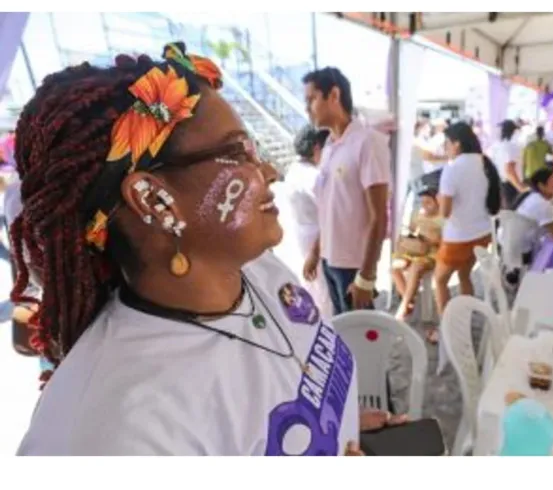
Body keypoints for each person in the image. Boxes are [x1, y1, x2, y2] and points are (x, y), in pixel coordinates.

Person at [12, 43, 397, 456]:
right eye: (236, 153)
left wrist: (339, 423)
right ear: (152, 199)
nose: (269, 171)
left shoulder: (260, 272)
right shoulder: (118, 431)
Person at [301, 67, 390, 315]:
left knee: (363, 341)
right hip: (331, 261)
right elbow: (330, 207)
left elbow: (379, 216)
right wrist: (316, 252)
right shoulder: (329, 145)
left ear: (334, 95)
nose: (308, 108)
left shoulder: (367, 142)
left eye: (312, 99)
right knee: (345, 337)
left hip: (354, 265)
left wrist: (366, 277)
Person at [430, 122, 501, 343]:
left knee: (439, 281)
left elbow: (445, 212)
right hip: (482, 234)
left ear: (457, 143)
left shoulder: (453, 169)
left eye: (447, 144)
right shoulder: (485, 162)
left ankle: (448, 330)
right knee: (464, 275)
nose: (446, 148)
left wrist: (440, 199)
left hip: (458, 238)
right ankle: (466, 317)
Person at [275, 125, 333, 318]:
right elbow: (328, 214)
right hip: (316, 234)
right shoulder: (313, 177)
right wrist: (315, 253)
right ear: (317, 148)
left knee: (314, 284)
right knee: (322, 287)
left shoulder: (294, 169)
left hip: (303, 231)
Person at [391, 187, 442, 320]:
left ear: (437, 202)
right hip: (415, 250)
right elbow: (412, 230)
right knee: (395, 268)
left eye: (428, 202)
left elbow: (445, 242)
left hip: (431, 254)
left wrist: (431, 239)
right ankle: (409, 303)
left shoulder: (442, 218)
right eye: (423, 202)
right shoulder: (418, 213)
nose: (425, 205)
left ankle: (404, 306)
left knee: (416, 267)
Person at [508, 167, 553, 266]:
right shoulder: (542, 204)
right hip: (523, 253)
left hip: (507, 247)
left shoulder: (527, 195)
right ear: (541, 185)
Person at [490, 119, 525, 209]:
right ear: (513, 131)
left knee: (505, 214)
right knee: (512, 212)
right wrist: (521, 189)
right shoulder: (511, 147)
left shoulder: (497, 146)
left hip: (500, 184)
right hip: (510, 186)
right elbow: (509, 170)